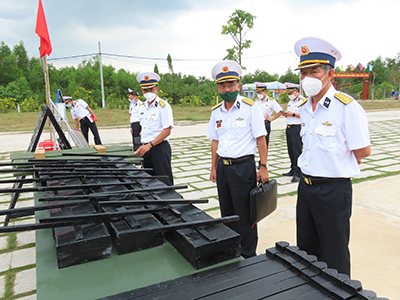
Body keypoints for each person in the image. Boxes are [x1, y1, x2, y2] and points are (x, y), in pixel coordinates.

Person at [294, 37, 371, 276]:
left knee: (334, 253)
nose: (307, 78)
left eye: (314, 71)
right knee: (306, 251)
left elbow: (363, 150)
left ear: (330, 75)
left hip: (333, 190)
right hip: (305, 188)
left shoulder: (346, 107)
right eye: (303, 73)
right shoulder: (305, 108)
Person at [206, 61, 269, 258]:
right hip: (223, 168)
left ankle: (248, 253)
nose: (227, 89)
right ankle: (232, 250)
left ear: (238, 86)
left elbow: (261, 139)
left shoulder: (251, 108)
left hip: (243, 167)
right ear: (218, 88)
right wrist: (213, 168)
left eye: (231, 85)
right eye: (222, 86)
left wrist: (263, 167)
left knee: (246, 214)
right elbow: (215, 142)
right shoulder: (216, 111)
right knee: (227, 212)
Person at [134, 72, 174, 186]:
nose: (148, 92)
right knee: (148, 182)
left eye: (151, 89)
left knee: (163, 182)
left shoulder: (163, 106)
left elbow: (167, 130)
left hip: (159, 149)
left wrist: (150, 145)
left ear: (157, 89)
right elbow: (144, 126)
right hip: (146, 148)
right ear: (141, 91)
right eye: (145, 90)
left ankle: (168, 203)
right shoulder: (142, 107)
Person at [281, 83, 305, 182]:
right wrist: (287, 114)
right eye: (288, 93)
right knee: (290, 150)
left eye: (291, 92)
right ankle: (293, 168)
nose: (289, 95)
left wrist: (293, 114)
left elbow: (305, 115)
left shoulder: (303, 101)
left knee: (297, 151)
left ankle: (298, 173)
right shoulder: (291, 101)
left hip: (297, 128)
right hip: (289, 127)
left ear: (296, 91)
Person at [254, 82, 283, 149]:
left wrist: (271, 119)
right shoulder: (256, 101)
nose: (258, 94)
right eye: (257, 92)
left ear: (265, 91)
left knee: (264, 143)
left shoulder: (271, 101)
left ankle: (263, 159)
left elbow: (280, 111)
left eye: (260, 92)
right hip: (256, 123)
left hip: (265, 123)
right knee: (255, 143)